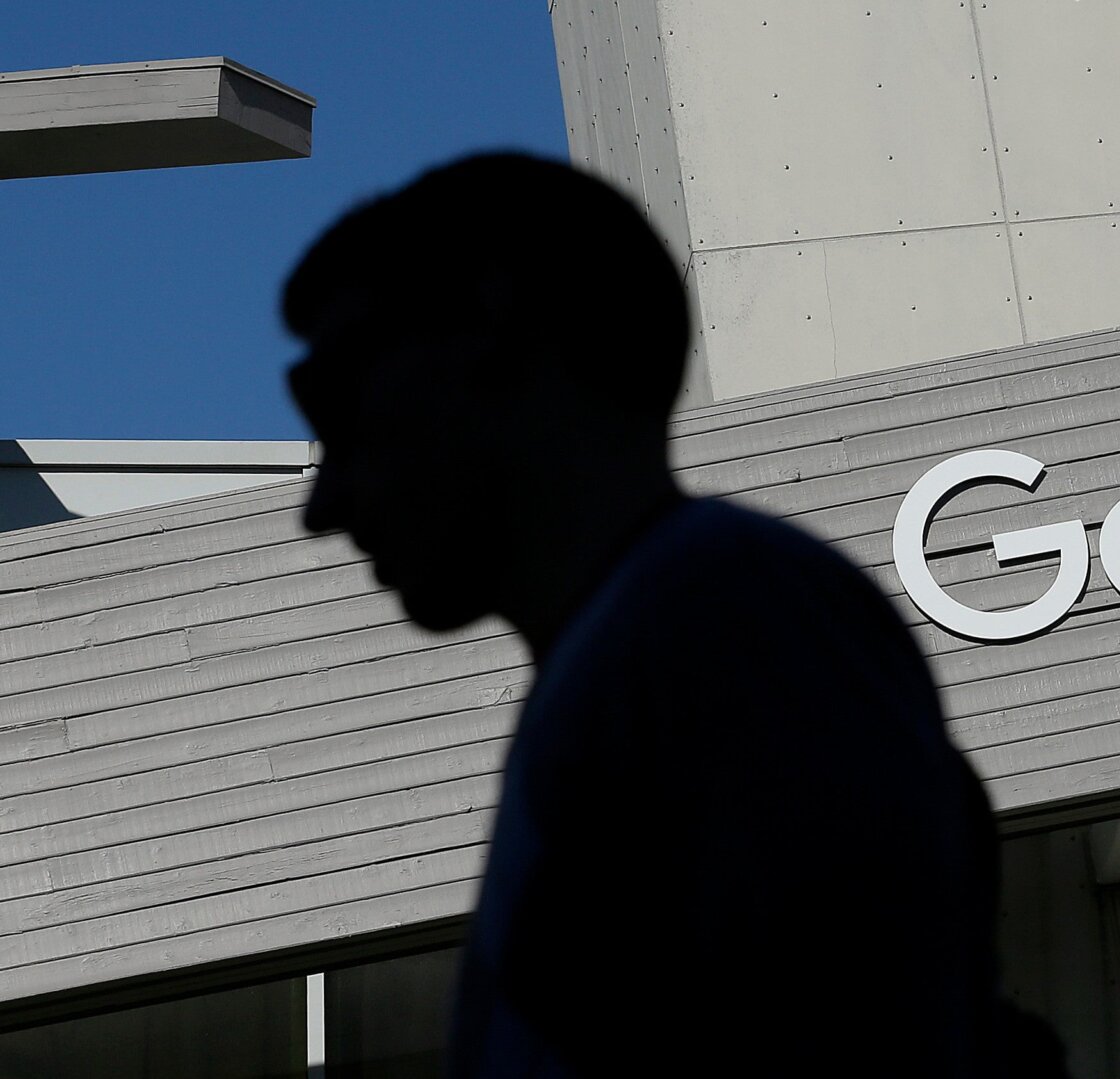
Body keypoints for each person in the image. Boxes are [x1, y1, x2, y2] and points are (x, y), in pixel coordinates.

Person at [283, 153, 1036, 1076]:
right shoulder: (682, 632)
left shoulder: (722, 617)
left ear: (490, 322)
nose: (320, 508)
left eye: (336, 404)